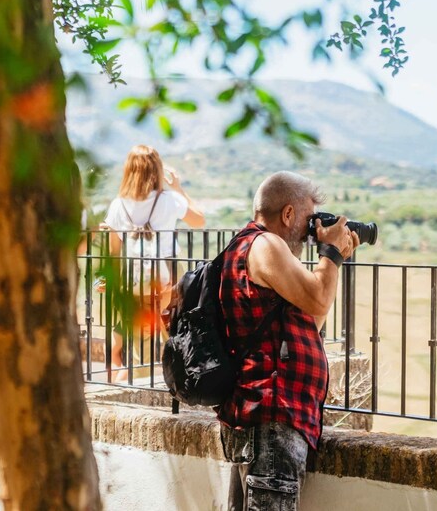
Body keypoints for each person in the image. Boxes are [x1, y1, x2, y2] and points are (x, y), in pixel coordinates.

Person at [218, 171, 359, 511]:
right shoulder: (266, 245)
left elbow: (310, 319)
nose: (311, 230)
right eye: (309, 220)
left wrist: (330, 259)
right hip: (271, 421)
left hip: (260, 419)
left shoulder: (245, 246)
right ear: (287, 214)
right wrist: (332, 255)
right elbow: (319, 299)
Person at [102, 145, 205, 379]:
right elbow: (199, 220)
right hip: (164, 277)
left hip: (133, 278)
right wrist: (178, 187)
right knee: (173, 325)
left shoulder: (118, 204)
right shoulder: (168, 200)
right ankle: (179, 376)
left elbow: (113, 250)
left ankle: (141, 377)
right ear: (157, 170)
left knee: (141, 335)